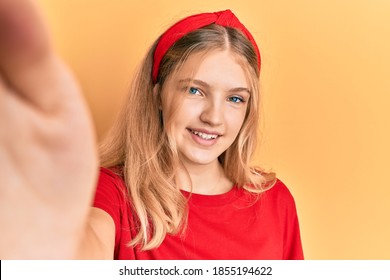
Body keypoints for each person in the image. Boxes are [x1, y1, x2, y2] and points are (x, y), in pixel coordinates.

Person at [0, 0, 303, 259]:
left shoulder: (276, 202)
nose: (214, 117)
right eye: (195, 91)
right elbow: (86, 248)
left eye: (235, 98)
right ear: (157, 95)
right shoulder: (114, 192)